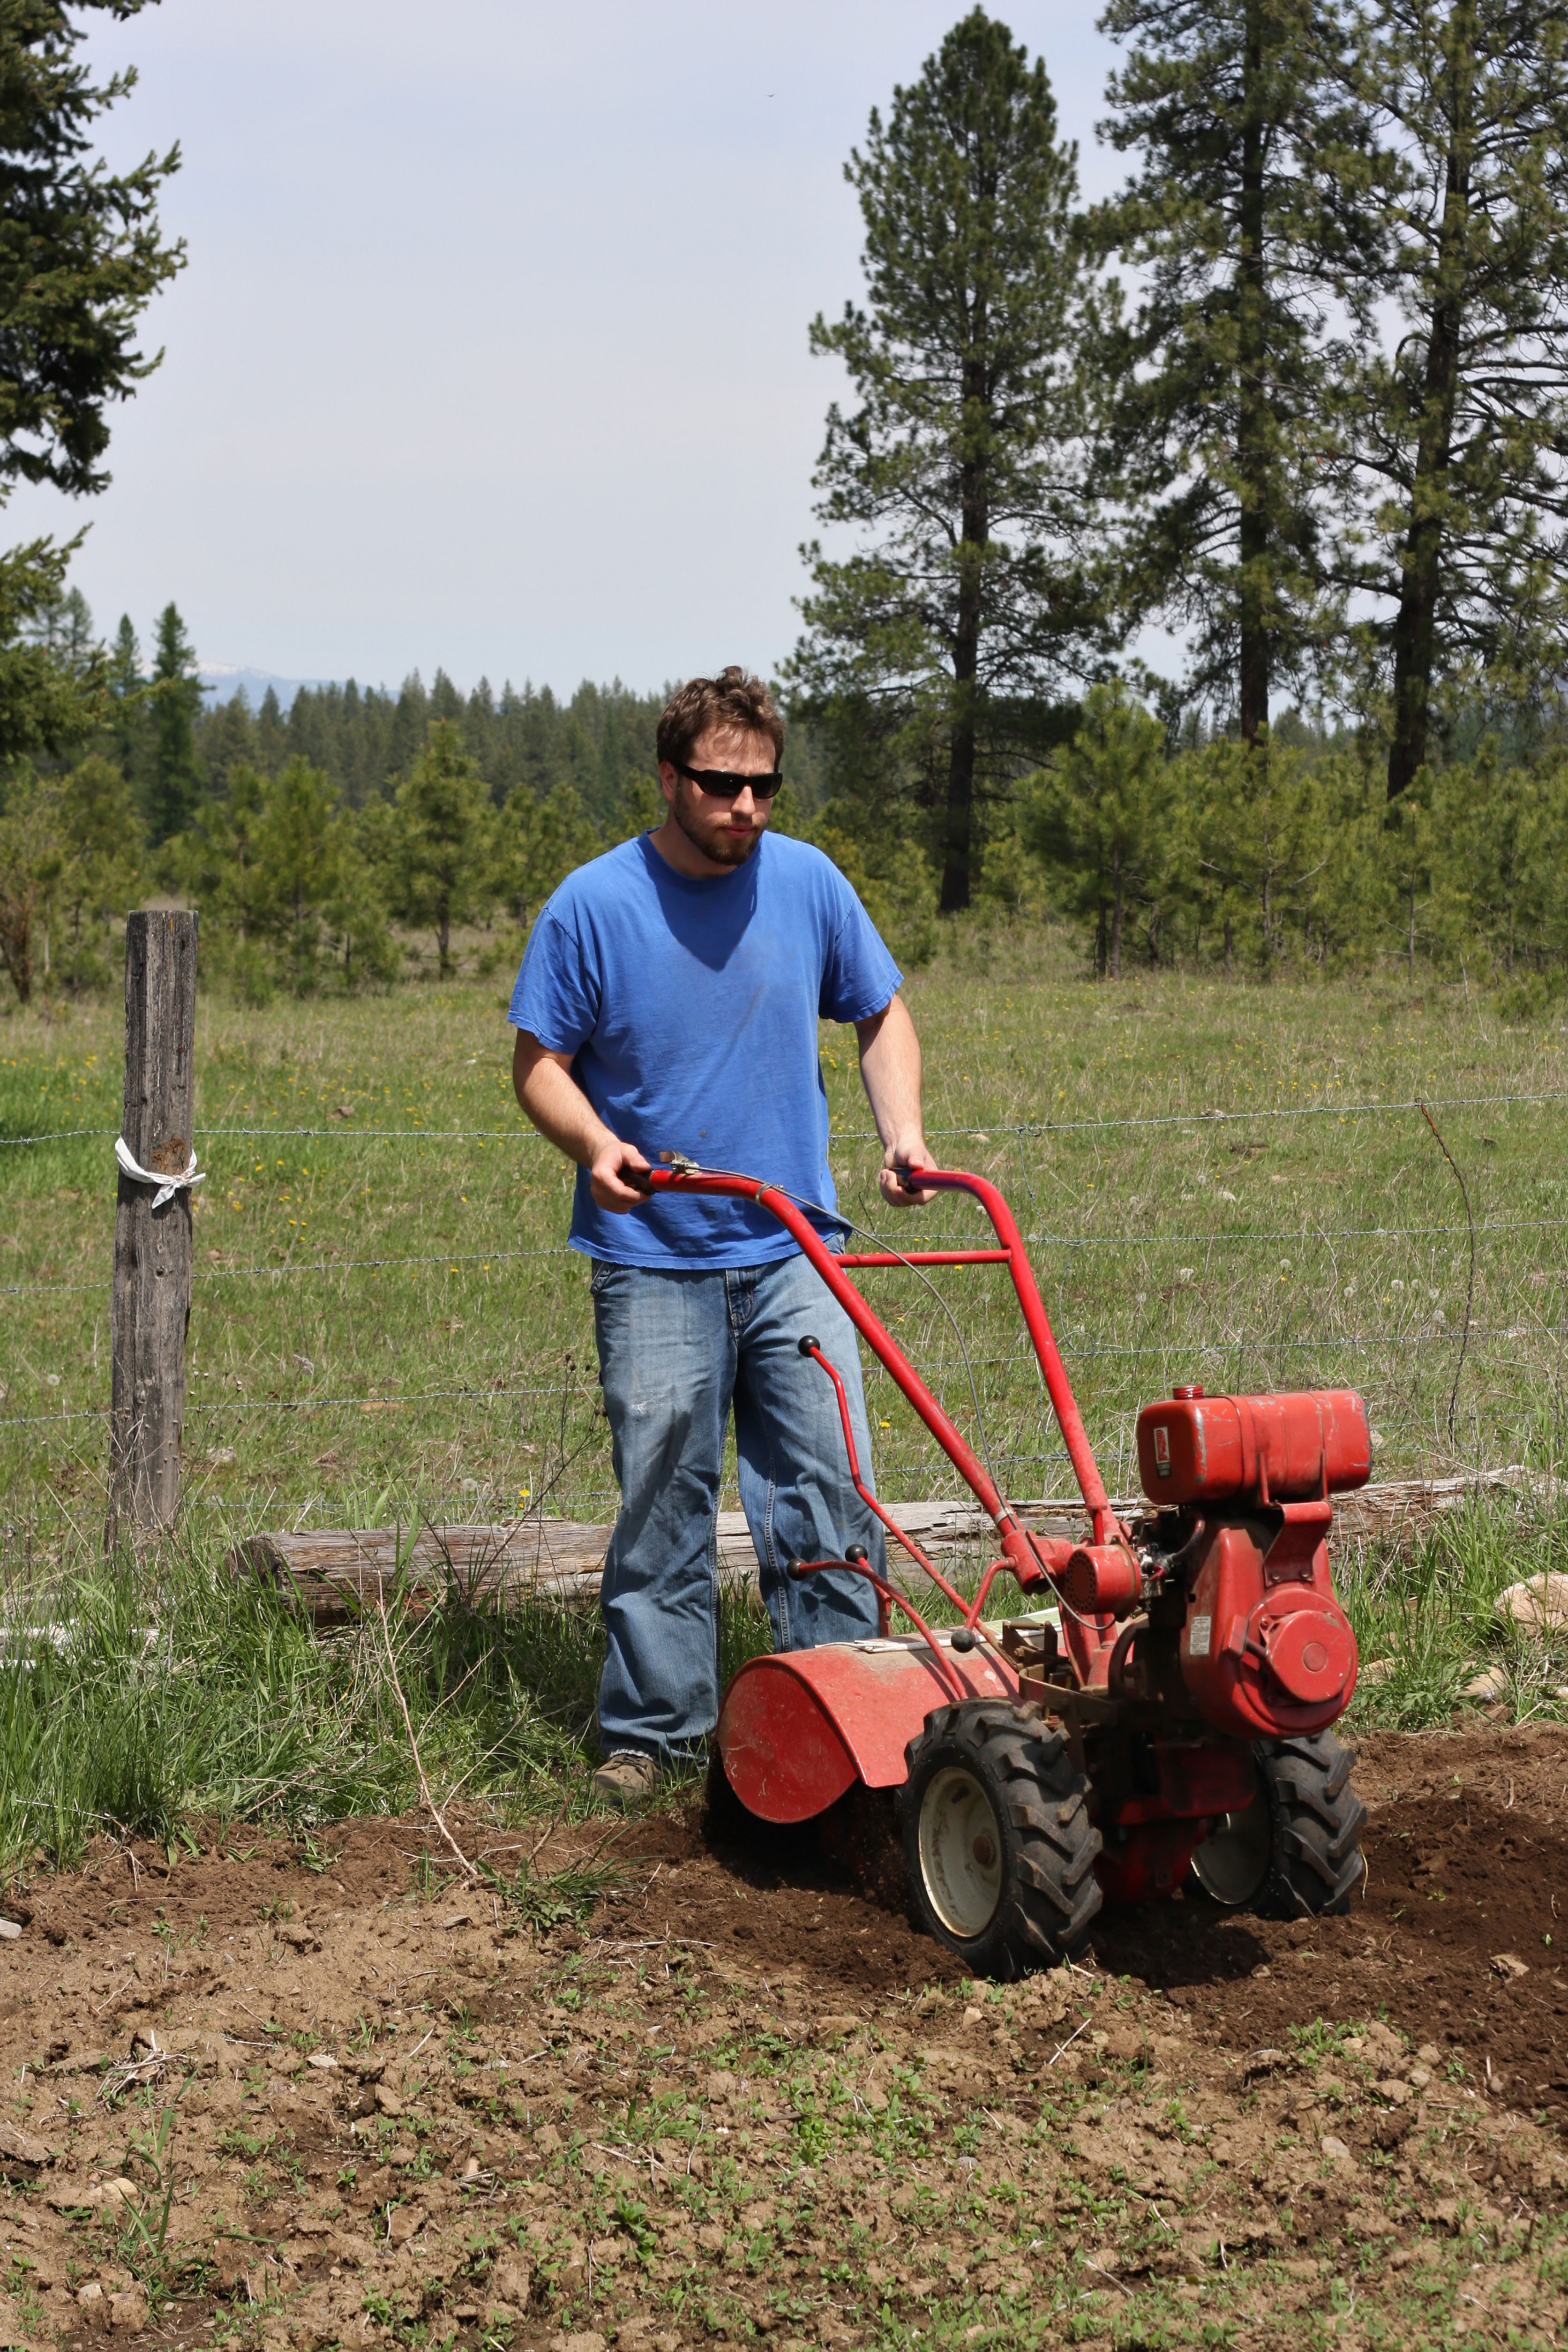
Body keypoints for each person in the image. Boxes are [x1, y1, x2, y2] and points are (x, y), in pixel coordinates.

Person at [510, 667, 933, 1806]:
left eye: (761, 786)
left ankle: (851, 1724)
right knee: (663, 1496)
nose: (744, 807)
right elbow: (537, 1064)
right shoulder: (594, 904)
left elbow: (879, 1008)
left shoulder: (806, 884)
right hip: (653, 1257)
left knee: (827, 1484)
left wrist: (902, 1135)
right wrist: (592, 1145)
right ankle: (656, 1740)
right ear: (668, 778)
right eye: (718, 785)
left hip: (794, 1246)